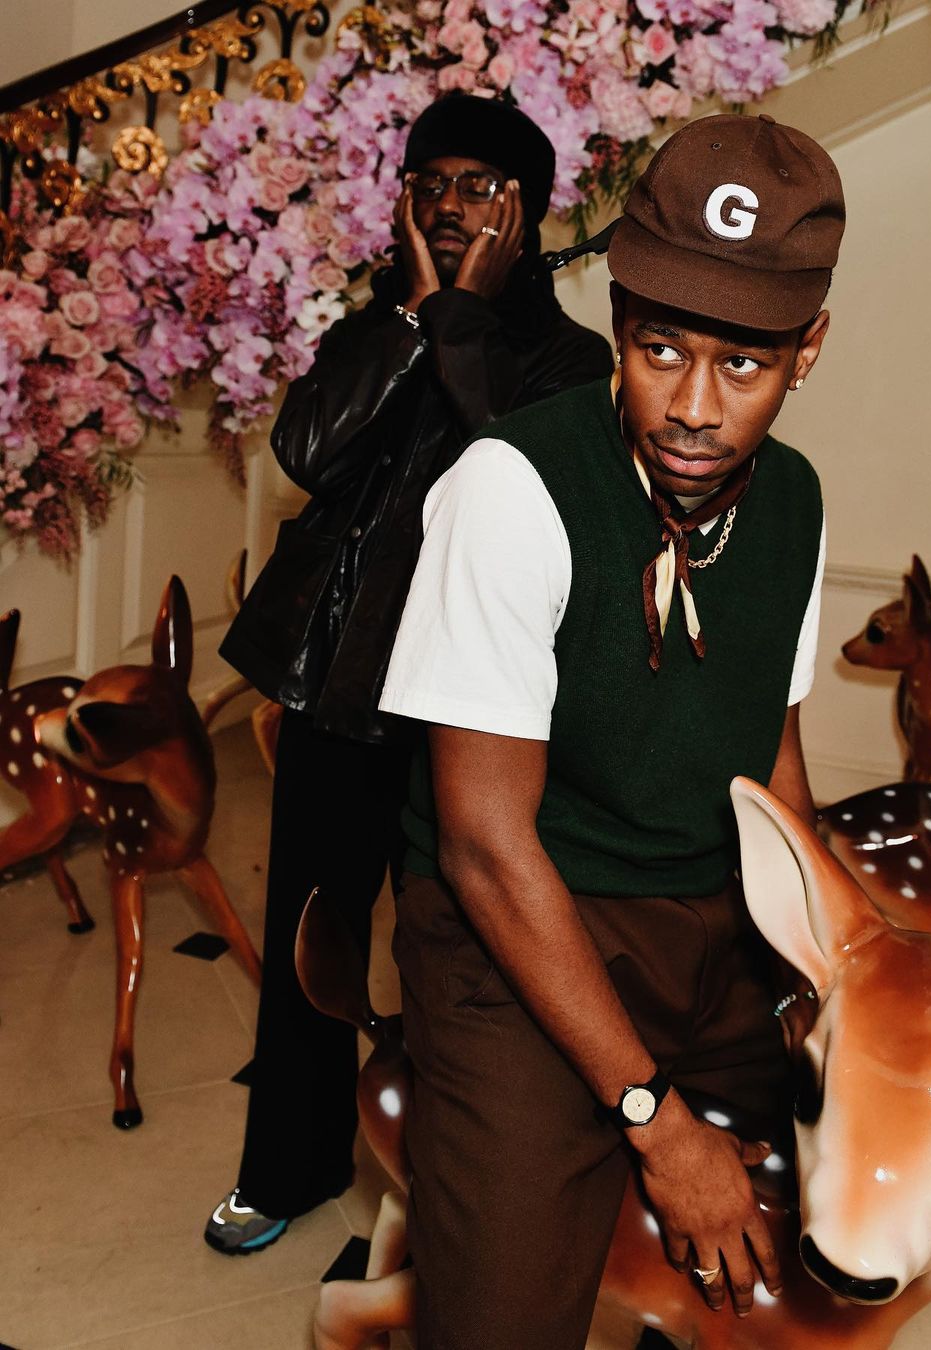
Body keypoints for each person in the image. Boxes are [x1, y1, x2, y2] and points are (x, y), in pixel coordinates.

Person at [376, 111, 844, 1346]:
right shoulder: (509, 489)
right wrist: (659, 1123)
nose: (693, 408)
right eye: (660, 350)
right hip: (519, 927)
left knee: (868, 1186)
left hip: (712, 922)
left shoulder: (796, 502)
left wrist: (832, 968)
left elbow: (775, 764)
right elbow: (485, 848)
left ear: (808, 351)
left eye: (743, 367)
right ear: (621, 322)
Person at [203, 93, 613, 1254]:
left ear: (527, 213)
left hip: (469, 710)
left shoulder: (570, 359)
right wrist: (414, 325)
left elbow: (511, 472)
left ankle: (465, 1199)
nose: (449, 204)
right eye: (431, 182)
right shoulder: (373, 329)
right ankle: (288, 1165)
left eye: (480, 186)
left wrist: (461, 322)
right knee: (312, 945)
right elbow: (305, 449)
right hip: (338, 691)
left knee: (457, 962)